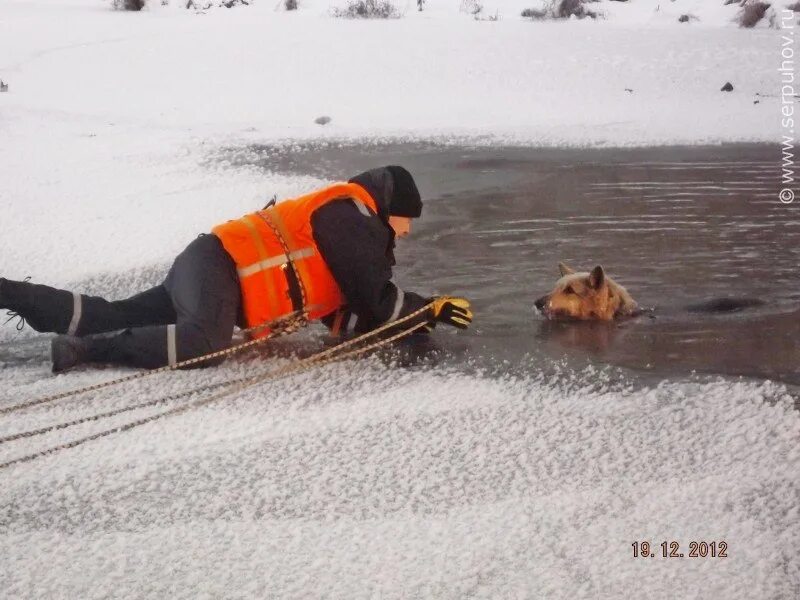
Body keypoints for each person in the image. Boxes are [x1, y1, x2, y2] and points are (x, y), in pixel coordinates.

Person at [0, 166, 472, 372]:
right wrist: (429, 308)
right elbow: (375, 297)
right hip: (218, 266)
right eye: (408, 219)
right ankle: (85, 351)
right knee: (206, 343)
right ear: (393, 207)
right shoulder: (351, 214)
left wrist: (413, 326)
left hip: (209, 269)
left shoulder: (355, 227)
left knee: (116, 313)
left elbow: (355, 312)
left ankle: (13, 295)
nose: (407, 231)